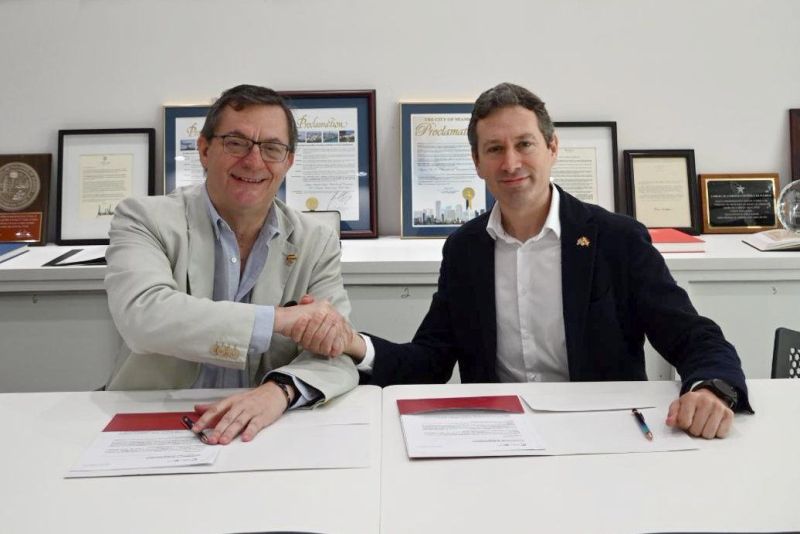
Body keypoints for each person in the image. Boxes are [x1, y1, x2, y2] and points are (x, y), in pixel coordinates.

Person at [340, 82, 751, 439]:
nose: (510, 163)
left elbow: (693, 336)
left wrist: (710, 389)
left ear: (552, 148)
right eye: (494, 149)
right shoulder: (465, 250)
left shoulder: (616, 239)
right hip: (498, 435)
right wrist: (357, 346)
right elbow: (431, 360)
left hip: (603, 430)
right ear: (477, 163)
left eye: (524, 144)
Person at [105, 84, 359, 445]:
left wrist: (280, 390)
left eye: (272, 148)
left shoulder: (315, 241)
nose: (254, 161)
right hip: (156, 416)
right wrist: (279, 320)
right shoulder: (144, 218)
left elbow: (336, 350)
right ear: (204, 150)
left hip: (262, 427)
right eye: (236, 143)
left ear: (288, 162)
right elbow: (144, 317)